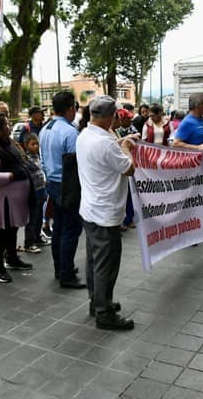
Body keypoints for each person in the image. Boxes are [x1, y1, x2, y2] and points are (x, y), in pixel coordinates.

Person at [77, 95, 136, 330]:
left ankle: (98, 301)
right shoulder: (105, 143)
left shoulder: (85, 135)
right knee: (106, 264)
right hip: (105, 212)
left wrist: (121, 143)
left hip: (91, 209)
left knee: (94, 261)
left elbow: (111, 150)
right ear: (111, 117)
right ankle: (104, 312)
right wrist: (127, 147)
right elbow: (129, 168)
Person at [0, 112, 33, 282]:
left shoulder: (7, 142)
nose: (9, 127)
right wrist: (12, 176)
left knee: (13, 229)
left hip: (13, 198)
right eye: (6, 125)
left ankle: (12, 258)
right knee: (1, 233)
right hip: (1, 199)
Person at [39, 91, 85, 288]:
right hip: (67, 185)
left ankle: (61, 267)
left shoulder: (45, 128)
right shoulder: (69, 132)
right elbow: (76, 164)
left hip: (52, 183)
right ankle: (66, 273)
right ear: (69, 109)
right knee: (70, 229)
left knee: (58, 227)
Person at [21, 133, 49, 253]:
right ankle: (29, 242)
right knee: (32, 218)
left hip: (41, 189)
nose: (36, 146)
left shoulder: (38, 156)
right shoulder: (25, 159)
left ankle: (37, 237)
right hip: (32, 192)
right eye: (33, 144)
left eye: (37, 143)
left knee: (38, 217)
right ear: (26, 145)